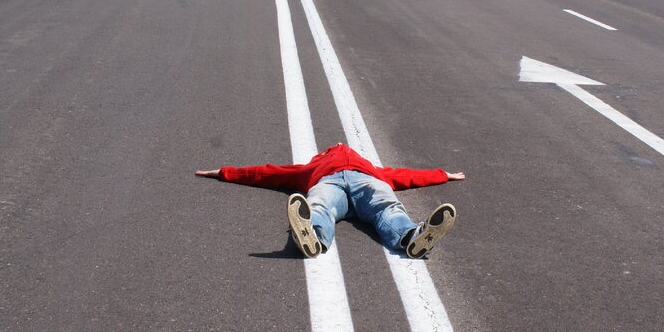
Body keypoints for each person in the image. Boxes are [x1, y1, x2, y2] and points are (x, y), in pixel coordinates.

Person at [196, 143, 464, 259]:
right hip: (330, 182)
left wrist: (443, 175)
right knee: (319, 204)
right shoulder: (312, 167)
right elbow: (268, 173)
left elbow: (407, 175)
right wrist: (224, 172)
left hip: (365, 181)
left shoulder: (369, 167)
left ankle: (412, 237)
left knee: (387, 205)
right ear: (322, 154)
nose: (340, 146)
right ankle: (311, 235)